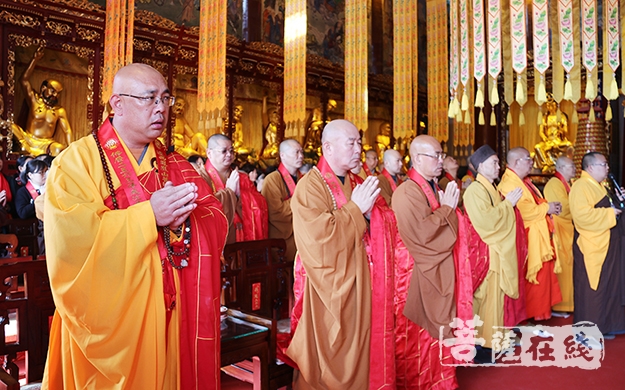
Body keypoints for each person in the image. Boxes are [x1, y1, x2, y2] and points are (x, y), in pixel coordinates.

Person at [42, 63, 228, 389]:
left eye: (165, 99)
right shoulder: (75, 163)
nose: (161, 108)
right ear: (117, 104)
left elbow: (213, 215)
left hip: (172, 314)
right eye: (149, 98)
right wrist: (149, 216)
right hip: (111, 322)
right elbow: (73, 245)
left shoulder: (177, 164)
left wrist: (187, 220)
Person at [287, 119, 385, 388]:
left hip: (361, 275)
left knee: (361, 338)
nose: (359, 149)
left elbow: (382, 219)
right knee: (330, 347)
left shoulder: (358, 180)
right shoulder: (310, 186)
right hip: (327, 283)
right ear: (327, 148)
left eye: (359, 142)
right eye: (351, 143)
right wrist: (357, 210)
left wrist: (369, 213)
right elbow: (320, 237)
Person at [391, 135, 467, 389]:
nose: (440, 161)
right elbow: (423, 235)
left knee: (435, 343)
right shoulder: (407, 191)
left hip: (435, 268)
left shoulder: (432, 186)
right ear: (416, 159)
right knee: (419, 341)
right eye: (434, 155)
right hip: (417, 276)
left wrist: (447, 209)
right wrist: (446, 210)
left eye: (441, 155)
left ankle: (441, 382)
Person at [463, 145, 526, 352]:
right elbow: (487, 223)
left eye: (498, 162)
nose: (499, 167)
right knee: (487, 300)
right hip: (486, 254)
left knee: (497, 301)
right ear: (480, 166)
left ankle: (495, 339)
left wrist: (507, 205)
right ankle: (484, 343)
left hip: (496, 251)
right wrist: (508, 205)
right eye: (494, 163)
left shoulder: (492, 188)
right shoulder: (474, 190)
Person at [498, 147, 562, 321]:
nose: (532, 162)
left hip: (536, 235)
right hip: (526, 238)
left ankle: (538, 314)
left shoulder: (523, 181)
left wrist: (547, 207)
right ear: (517, 162)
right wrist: (546, 208)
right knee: (532, 279)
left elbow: (533, 203)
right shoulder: (509, 182)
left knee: (541, 278)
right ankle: (529, 316)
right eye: (528, 159)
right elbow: (522, 211)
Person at [569, 152, 625, 337]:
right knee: (592, 290)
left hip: (607, 243)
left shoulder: (600, 186)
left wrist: (618, 199)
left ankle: (606, 325)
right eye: (604, 165)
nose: (607, 168)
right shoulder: (581, 186)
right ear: (590, 168)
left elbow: (610, 208)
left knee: (607, 286)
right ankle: (587, 332)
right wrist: (610, 213)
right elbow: (582, 217)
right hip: (591, 246)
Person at [205, 134, 267, 243]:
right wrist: (229, 193)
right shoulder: (201, 178)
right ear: (209, 153)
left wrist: (240, 196)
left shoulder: (242, 178)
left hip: (242, 236)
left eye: (231, 151)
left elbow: (260, 203)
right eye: (224, 151)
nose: (229, 155)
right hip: (216, 239)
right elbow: (204, 211)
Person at [12, 45, 72, 156]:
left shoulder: (59, 110)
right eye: (53, 91)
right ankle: (29, 150)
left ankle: (34, 153)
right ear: (44, 88)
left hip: (47, 144)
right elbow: (23, 80)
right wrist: (34, 59)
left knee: (59, 149)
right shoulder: (34, 99)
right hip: (28, 139)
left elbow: (67, 130)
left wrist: (72, 149)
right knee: (10, 126)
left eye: (58, 93)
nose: (56, 95)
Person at [261, 139, 304, 262]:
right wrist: (300, 198)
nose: (301, 156)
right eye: (296, 152)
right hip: (284, 239)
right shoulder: (272, 180)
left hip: (303, 235)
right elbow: (275, 212)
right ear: (283, 155)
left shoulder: (304, 179)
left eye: (301, 152)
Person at [543, 156, 576, 315]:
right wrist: (581, 205)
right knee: (563, 266)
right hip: (560, 230)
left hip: (568, 229)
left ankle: (569, 304)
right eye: (571, 166)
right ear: (561, 168)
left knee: (569, 267)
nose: (574, 169)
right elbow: (561, 208)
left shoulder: (567, 184)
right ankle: (561, 305)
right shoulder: (554, 184)